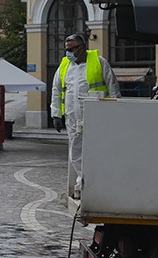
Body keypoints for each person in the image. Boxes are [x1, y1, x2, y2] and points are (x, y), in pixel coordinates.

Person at [50, 34, 120, 198]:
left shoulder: (99, 62)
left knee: (96, 150)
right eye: (66, 49)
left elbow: (113, 88)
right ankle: (83, 181)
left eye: (70, 49)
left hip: (97, 116)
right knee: (75, 151)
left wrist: (116, 112)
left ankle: (95, 181)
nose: (67, 52)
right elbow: (57, 91)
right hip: (73, 117)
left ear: (81, 47)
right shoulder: (65, 66)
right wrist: (56, 114)